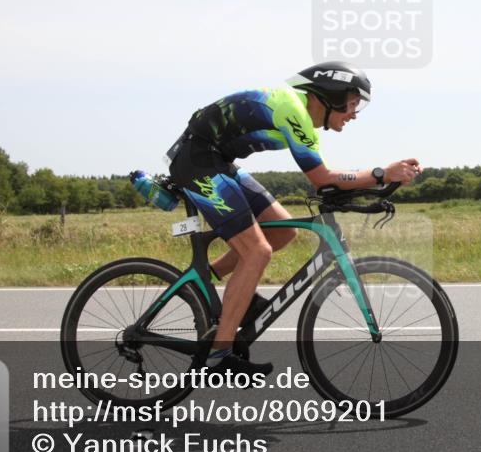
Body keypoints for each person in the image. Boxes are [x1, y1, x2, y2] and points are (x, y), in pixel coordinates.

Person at [165, 61, 422, 378]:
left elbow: (328, 181)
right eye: (352, 103)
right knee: (257, 251)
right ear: (331, 95)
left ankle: (203, 286)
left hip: (217, 161)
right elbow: (322, 178)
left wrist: (378, 183)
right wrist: (382, 173)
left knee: (283, 231)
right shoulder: (294, 110)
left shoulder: (300, 118)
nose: (354, 114)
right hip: (198, 161)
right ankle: (218, 356)